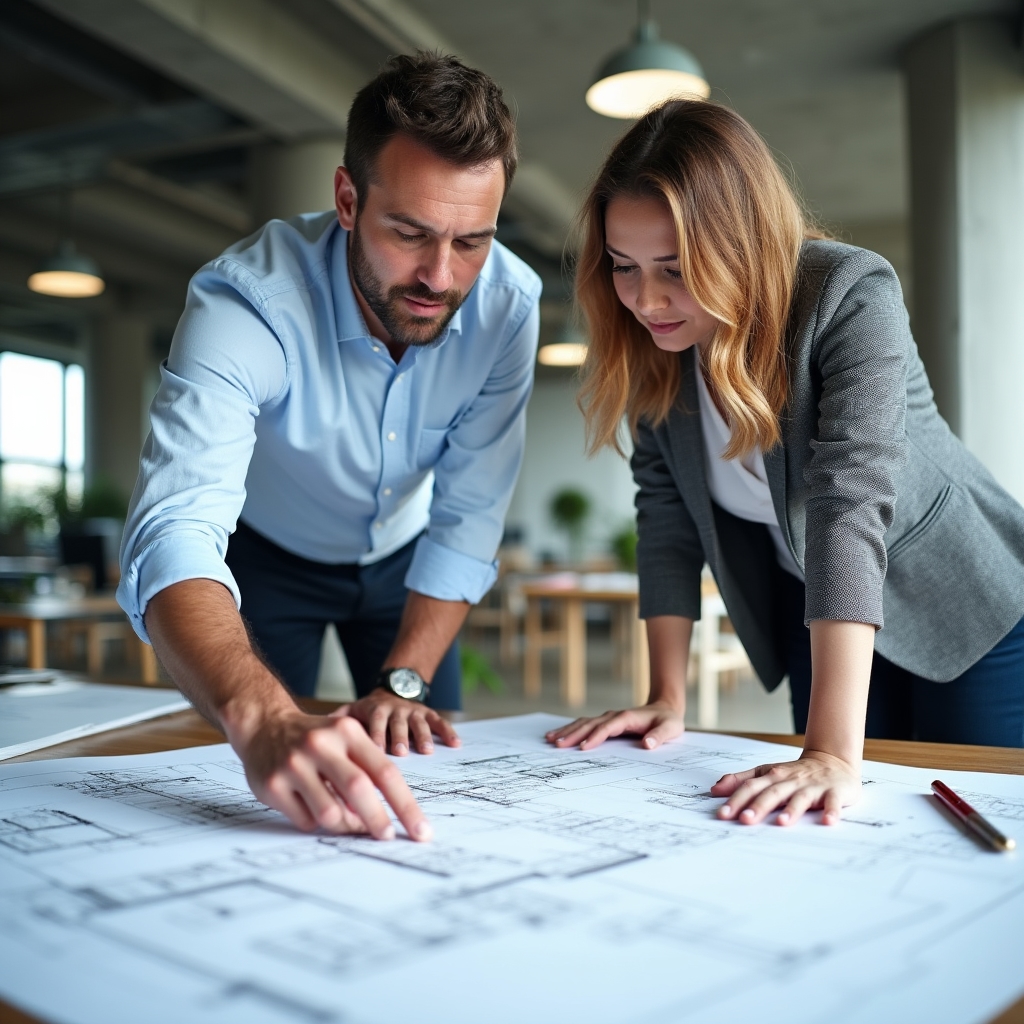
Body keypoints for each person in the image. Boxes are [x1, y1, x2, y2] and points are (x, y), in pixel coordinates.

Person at [546, 100, 1024, 827]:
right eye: (624, 266)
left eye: (676, 268)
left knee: (974, 820)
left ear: (738, 242)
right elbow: (668, 523)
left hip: (963, 605)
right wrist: (665, 697)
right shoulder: (655, 349)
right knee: (823, 827)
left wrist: (832, 750)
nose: (646, 299)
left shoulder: (847, 291)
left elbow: (846, 502)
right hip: (820, 609)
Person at [118, 53, 541, 842]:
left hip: (410, 567)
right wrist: (260, 714)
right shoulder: (245, 302)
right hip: (271, 561)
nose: (441, 277)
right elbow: (174, 528)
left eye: (471, 241)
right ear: (348, 198)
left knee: (426, 771)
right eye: (410, 232)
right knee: (253, 779)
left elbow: (470, 514)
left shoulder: (508, 307)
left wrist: (403, 678)